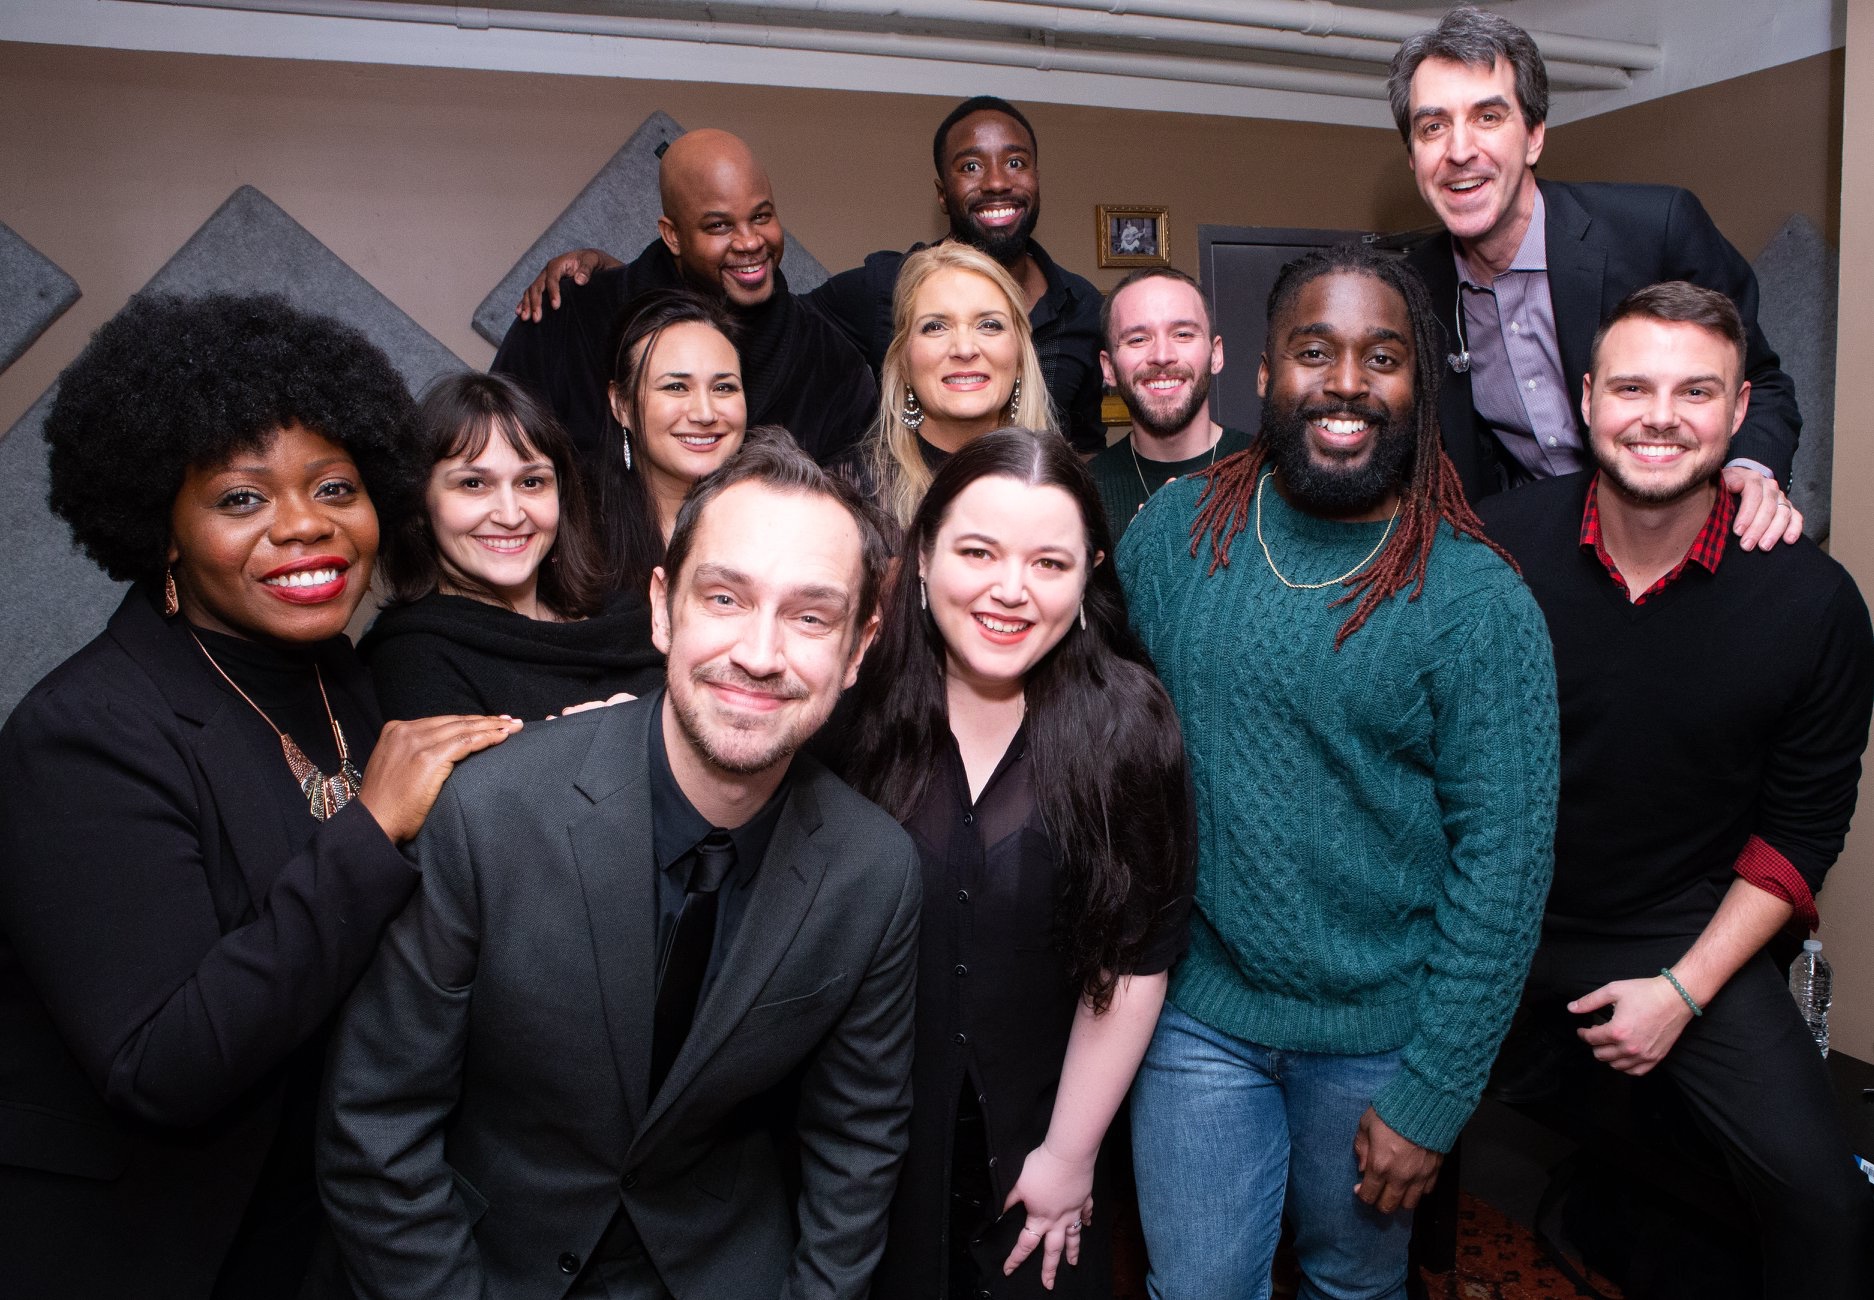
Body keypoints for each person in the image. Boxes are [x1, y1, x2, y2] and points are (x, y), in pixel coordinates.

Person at [0, 294, 522, 1297]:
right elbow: (163, 1062)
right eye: (242, 499)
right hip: (153, 1247)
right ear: (163, 526)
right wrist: (371, 828)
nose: (304, 527)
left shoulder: (355, 685)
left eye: (335, 486)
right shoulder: (85, 734)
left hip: (333, 1236)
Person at [317, 434, 920, 1299]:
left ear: (858, 650)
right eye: (725, 598)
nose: (759, 652)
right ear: (664, 609)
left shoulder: (874, 871)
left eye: (811, 617)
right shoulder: (487, 814)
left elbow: (858, 1148)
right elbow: (375, 1127)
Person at [1117, 245, 1557, 1298]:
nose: (1346, 381)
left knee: (1347, 1289)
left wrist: (1434, 1094)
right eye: (1313, 350)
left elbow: (1501, 871)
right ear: (1262, 373)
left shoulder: (1474, 600)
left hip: (1377, 1043)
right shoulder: (1176, 537)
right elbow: (1086, 727)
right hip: (1196, 1018)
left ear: (1419, 384)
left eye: (1382, 356)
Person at [1475, 282, 1874, 1299]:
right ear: (1583, 400)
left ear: (1739, 413)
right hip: (1486, 906)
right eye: (1631, 386)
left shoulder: (1808, 602)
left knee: (1822, 1199)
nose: (1659, 416)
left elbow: (1796, 835)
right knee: (1359, 1109)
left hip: (1672, 929)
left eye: (1694, 391)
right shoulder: (1488, 550)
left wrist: (1682, 993)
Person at [844, 427, 1192, 1299]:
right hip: (858, 1157)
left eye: (1048, 563)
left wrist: (1069, 1156)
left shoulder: (1127, 725)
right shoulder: (848, 706)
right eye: (977, 551)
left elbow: (1134, 962)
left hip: (1039, 1151)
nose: (1010, 590)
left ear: (1087, 578)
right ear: (921, 556)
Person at [1391, 5, 1804, 552]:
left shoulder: (1658, 230)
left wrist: (1751, 470)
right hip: (1531, 551)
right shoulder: (1411, 290)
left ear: (1534, 136)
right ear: (1414, 156)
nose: (1459, 150)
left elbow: (1763, 381)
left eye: (1488, 117)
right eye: (1433, 126)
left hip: (1679, 532)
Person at [521, 98, 1106, 453]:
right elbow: (741, 308)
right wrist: (621, 285)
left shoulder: (1082, 304)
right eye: (933, 326)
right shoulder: (880, 290)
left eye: (762, 218)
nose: (965, 348)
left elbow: (1086, 446)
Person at [495, 127, 875, 468]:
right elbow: (497, 462)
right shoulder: (567, 320)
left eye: (761, 217)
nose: (749, 241)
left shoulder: (832, 367)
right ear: (672, 235)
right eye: (719, 225)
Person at [361, 371, 664, 722]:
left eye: (531, 482)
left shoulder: (622, 612)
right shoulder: (413, 657)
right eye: (473, 484)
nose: (510, 514)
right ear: (421, 501)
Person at [810, 96, 1106, 452]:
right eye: (970, 167)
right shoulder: (886, 286)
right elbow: (780, 332)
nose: (997, 182)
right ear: (942, 194)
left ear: (1036, 179)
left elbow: (1086, 447)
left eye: (1015, 163)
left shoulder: (1082, 306)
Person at [849, 241, 1058, 528]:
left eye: (989, 325)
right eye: (935, 326)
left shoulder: (1062, 486)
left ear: (1021, 357)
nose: (964, 348)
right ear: (903, 362)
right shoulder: (849, 496)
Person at [595, 287, 752, 602]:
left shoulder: (776, 520)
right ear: (621, 405)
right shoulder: (575, 528)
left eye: (723, 387)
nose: (705, 413)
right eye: (676, 387)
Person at [1087, 266, 1252, 538]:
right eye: (1138, 339)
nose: (1162, 356)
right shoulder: (1084, 493)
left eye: (1183, 334)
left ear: (1216, 355)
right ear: (1108, 369)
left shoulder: (1272, 475)